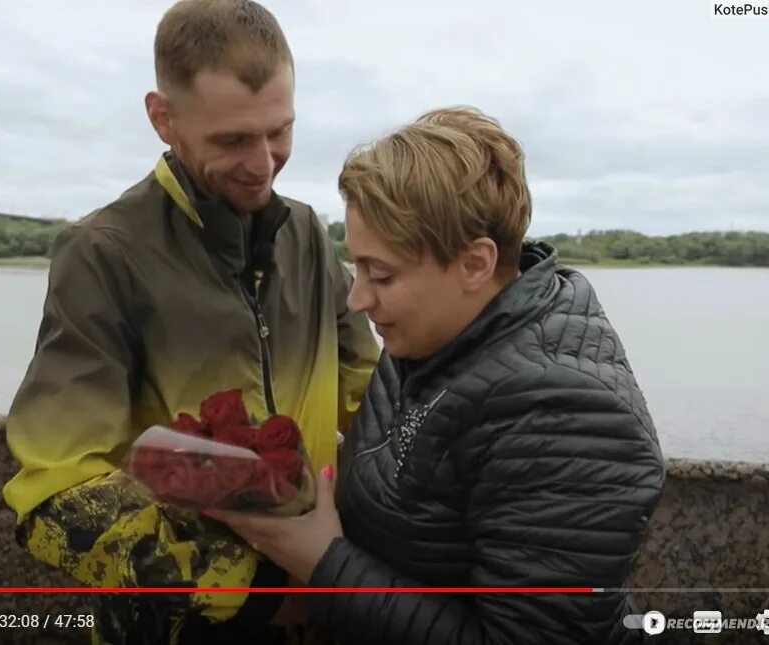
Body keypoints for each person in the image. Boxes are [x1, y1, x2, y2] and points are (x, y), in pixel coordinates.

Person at [206, 106, 666, 644]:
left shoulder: (571, 418)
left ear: (475, 264)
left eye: (381, 274)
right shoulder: (438, 334)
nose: (357, 299)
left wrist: (323, 563)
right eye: (357, 267)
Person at [1, 0, 379, 643]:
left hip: (325, 605)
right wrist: (254, 591)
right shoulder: (103, 255)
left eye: (280, 131)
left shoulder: (310, 237)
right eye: (232, 140)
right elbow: (54, 487)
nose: (263, 164)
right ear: (163, 118)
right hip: (176, 625)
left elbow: (373, 398)